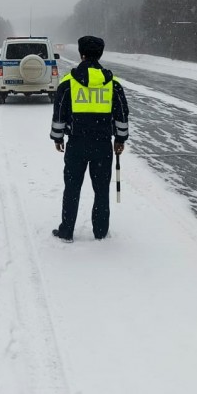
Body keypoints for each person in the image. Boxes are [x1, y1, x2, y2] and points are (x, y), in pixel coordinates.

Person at [49, 35, 129, 242]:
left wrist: (58, 137)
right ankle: (101, 232)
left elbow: (59, 112)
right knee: (102, 190)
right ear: (100, 54)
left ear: (81, 54)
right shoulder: (113, 84)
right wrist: (120, 140)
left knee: (72, 188)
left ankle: (67, 231)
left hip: (76, 144)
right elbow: (122, 114)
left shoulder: (68, 83)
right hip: (102, 146)